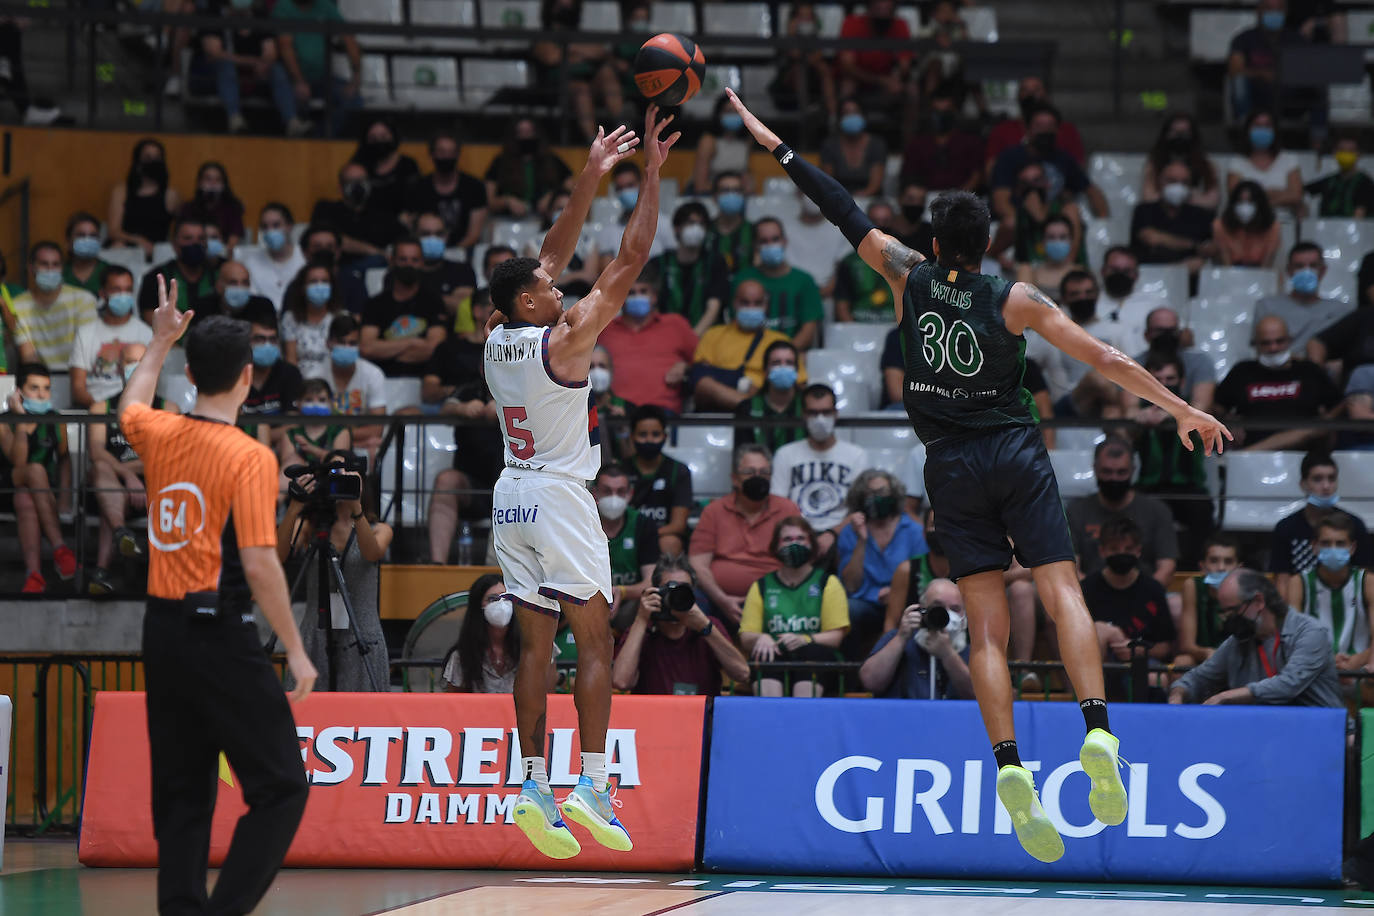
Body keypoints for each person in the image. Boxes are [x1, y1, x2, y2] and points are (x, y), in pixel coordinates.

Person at [725, 86, 1228, 862]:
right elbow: (1107, 358)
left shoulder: (906, 274)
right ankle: (1097, 730)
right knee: (1063, 593)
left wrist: (778, 147)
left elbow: (842, 209)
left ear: (934, 237)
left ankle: (1008, 768)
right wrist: (1178, 409)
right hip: (1014, 454)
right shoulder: (1016, 298)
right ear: (988, 243)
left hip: (950, 467)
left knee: (985, 627)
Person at [482, 113, 668, 860]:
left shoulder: (498, 331)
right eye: (547, 287)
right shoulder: (568, 337)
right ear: (531, 301)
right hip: (559, 495)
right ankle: (591, 783)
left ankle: (530, 785)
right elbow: (630, 257)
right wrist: (648, 175)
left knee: (535, 648)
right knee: (596, 638)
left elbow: (545, 257)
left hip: (510, 496)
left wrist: (592, 173)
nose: (557, 286)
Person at [120, 281, 316, 914]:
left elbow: (129, 407)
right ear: (248, 377)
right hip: (218, 630)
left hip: (161, 630)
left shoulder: (158, 432)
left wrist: (157, 339)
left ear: (189, 372)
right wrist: (296, 649)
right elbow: (260, 562)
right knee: (282, 786)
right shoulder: (248, 456)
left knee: (183, 791)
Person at [276, 444, 391, 691]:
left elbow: (372, 552)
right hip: (316, 632)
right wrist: (296, 506)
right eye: (332, 475)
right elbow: (279, 555)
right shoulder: (311, 527)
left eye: (345, 474)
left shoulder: (380, 529)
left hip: (362, 634)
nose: (338, 481)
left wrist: (356, 508)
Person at [1169, 569, 1342, 708]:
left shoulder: (1310, 633)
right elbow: (1198, 677)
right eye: (1223, 613)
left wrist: (1227, 696)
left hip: (1317, 728)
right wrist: (1178, 694)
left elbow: (1288, 684)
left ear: (1258, 601)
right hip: (1263, 731)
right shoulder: (1238, 641)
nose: (1226, 619)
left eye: (1232, 611)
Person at [87, 342, 174, 595]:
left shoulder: (168, 408)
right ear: (118, 369)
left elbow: (165, 456)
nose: (135, 367)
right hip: (113, 483)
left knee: (109, 492)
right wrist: (127, 474)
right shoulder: (100, 407)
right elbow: (96, 452)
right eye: (129, 361)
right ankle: (121, 536)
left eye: (141, 360)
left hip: (155, 488)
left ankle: (105, 566)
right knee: (102, 469)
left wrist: (128, 472)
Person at [689, 443, 802, 631]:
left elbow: (799, 559)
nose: (758, 478)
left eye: (764, 472)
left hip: (774, 597)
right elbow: (697, 564)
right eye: (750, 472)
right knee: (690, 601)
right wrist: (721, 599)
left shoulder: (787, 509)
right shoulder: (714, 511)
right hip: (718, 598)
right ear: (735, 478)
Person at [739, 516, 850, 697]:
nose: (794, 544)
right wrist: (762, 637)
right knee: (766, 655)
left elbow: (836, 636)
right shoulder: (762, 586)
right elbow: (746, 636)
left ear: (811, 544)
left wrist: (804, 639)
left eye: (800, 539)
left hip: (815, 657)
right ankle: (771, 716)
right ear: (776, 546)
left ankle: (803, 718)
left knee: (812, 653)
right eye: (787, 540)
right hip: (775, 655)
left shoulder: (827, 582)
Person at [611, 555, 751, 696]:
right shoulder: (642, 629)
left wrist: (706, 627)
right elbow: (621, 682)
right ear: (656, 592)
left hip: (700, 715)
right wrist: (641, 619)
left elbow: (742, 673)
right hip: (654, 716)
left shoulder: (709, 626)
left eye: (684, 590)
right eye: (670, 590)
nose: (677, 596)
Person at [1080, 517, 1178, 696]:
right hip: (1099, 663)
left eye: (1128, 549)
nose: (1121, 554)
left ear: (1139, 551)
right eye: (1114, 549)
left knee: (1156, 678)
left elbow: (1165, 645)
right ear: (1102, 551)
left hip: (1142, 662)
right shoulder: (1087, 588)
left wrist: (1139, 651)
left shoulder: (1152, 589)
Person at [836, 469, 928, 655]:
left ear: (894, 495)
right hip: (866, 604)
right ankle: (853, 675)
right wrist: (861, 540)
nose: (876, 498)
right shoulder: (850, 532)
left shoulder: (914, 531)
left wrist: (896, 592)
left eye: (882, 492)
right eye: (870, 494)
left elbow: (923, 574)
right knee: (849, 609)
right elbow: (851, 586)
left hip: (906, 602)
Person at [1215, 315, 1341, 450]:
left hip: (1304, 453)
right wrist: (1230, 421)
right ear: (1255, 344)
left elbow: (1339, 405)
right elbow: (1216, 408)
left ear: (1289, 340)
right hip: (1252, 457)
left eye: (1279, 341)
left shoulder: (1309, 370)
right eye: (1266, 343)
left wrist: (1324, 424)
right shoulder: (1241, 371)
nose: (1273, 348)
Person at [1066, 436, 1179, 586]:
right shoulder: (1076, 511)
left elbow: (1167, 567)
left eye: (1121, 472)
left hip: (1143, 594)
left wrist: (1145, 595)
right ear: (1095, 469)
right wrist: (1092, 596)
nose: (1114, 478)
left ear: (1133, 470)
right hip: (1090, 596)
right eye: (1107, 472)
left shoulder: (1157, 510)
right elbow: (1070, 568)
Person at [1, 363, 74, 593]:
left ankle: (34, 576)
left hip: (41, 493)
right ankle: (60, 549)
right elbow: (19, 462)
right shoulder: (5, 421)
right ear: (19, 392)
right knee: (33, 470)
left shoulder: (55, 419)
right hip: (8, 485)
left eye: (46, 388)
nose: (42, 394)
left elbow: (64, 459)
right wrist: (21, 419)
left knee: (26, 499)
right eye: (34, 388)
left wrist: (65, 498)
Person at [771, 385, 869, 552]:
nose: (820, 419)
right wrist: (801, 536)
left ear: (836, 413)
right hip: (797, 535)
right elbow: (778, 504)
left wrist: (833, 533)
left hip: (841, 535)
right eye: (813, 413)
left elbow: (858, 509)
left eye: (826, 412)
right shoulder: (785, 454)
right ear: (803, 414)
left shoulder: (857, 455)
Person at [594, 262, 697, 414]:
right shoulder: (603, 329)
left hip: (664, 414)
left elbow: (702, 363)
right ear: (621, 297)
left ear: (654, 296)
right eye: (631, 292)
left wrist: (685, 368)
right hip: (616, 413)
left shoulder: (676, 325)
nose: (637, 296)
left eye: (643, 291)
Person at [1271, 450, 1373, 596]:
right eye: (1317, 479)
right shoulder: (1286, 528)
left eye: (1331, 479)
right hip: (1301, 604)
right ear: (1303, 484)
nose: (1326, 486)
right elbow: (1282, 583)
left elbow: (1365, 582)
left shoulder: (1355, 525)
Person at [690, 281, 800, 411]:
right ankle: (749, 407)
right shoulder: (713, 335)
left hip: (768, 401)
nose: (751, 308)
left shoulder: (781, 340)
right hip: (719, 405)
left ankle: (752, 408)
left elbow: (798, 383)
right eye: (745, 303)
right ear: (735, 303)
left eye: (757, 303)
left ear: (766, 305)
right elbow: (701, 380)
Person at [1287, 512, 1373, 674]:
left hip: (1358, 670)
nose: (1333, 549)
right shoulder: (1298, 583)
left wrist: (1356, 663)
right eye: (1326, 543)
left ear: (1352, 548)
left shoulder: (1368, 582)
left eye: (1340, 544)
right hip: (1314, 669)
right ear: (1314, 547)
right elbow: (1292, 639)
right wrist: (1326, 661)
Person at [860, 578, 975, 699]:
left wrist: (948, 655)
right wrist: (901, 638)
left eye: (955, 609)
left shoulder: (975, 651)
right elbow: (870, 682)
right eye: (938, 606)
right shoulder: (897, 638)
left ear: (964, 615)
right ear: (922, 608)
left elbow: (979, 697)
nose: (946, 614)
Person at [443, 573, 556, 692]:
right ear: (478, 606)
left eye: (506, 598)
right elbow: (454, 703)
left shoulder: (539, 646)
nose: (501, 604)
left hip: (522, 710)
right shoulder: (462, 656)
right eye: (492, 599)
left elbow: (547, 695)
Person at [270, 0, 361, 137]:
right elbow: (285, 47)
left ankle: (319, 136)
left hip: (321, 77)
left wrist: (356, 77)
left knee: (354, 99)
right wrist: (298, 81)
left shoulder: (325, 6)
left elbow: (348, 38)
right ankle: (293, 123)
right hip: (291, 78)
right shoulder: (284, 7)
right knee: (277, 73)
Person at [359, 238, 447, 378]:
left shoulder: (434, 302)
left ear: (422, 263)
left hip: (421, 379)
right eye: (403, 259)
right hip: (382, 379)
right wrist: (411, 342)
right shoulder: (375, 304)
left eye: (414, 260)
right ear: (392, 261)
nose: (409, 265)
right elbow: (367, 348)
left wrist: (387, 351)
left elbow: (435, 349)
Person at [732, 219, 823, 350]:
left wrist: (780, 358)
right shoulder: (742, 279)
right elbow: (734, 326)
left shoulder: (805, 281)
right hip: (745, 358)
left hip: (788, 361)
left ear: (785, 241)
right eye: (764, 241)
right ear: (755, 245)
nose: (770, 245)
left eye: (775, 239)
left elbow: (807, 333)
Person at [188, 0, 276, 134]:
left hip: (252, 74)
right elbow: (214, 52)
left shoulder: (260, 14)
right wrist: (253, 61)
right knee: (226, 66)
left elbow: (270, 52)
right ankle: (235, 118)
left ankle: (293, 121)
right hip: (210, 75)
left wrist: (264, 63)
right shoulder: (213, 12)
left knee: (277, 70)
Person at [69, 266, 152, 409]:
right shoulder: (85, 333)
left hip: (136, 410)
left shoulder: (146, 333)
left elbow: (152, 383)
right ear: (102, 293)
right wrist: (103, 410)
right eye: (116, 289)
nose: (123, 295)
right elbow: (78, 389)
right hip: (95, 412)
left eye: (128, 290)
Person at [590, 463, 660, 627]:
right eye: (607, 491)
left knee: (646, 603)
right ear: (595, 493)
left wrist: (622, 592)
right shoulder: (581, 524)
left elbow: (650, 583)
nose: (614, 497)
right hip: (587, 601)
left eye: (620, 492)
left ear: (630, 494)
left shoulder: (643, 524)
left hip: (629, 604)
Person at [11, 241, 97, 373]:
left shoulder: (84, 300)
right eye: (44, 264)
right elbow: (28, 356)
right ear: (31, 267)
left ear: (62, 268)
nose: (50, 270)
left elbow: (87, 350)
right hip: (39, 379)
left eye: (55, 264)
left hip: (78, 377)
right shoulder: (17, 306)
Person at [649, 201, 731, 336]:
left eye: (701, 224)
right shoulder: (658, 264)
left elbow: (714, 307)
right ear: (677, 228)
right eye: (690, 223)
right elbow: (652, 305)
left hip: (705, 337)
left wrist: (692, 338)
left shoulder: (715, 262)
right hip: (665, 336)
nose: (696, 228)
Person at [1253, 243, 1352, 354]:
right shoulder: (1267, 306)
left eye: (1313, 266)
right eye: (1299, 266)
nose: (1306, 272)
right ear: (1289, 270)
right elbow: (1259, 350)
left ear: (1323, 270)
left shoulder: (1341, 311)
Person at [310, 163, 407, 272]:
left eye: (362, 180)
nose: (358, 185)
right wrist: (373, 251)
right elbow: (332, 240)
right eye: (351, 181)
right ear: (340, 188)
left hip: (376, 270)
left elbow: (402, 241)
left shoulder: (382, 213)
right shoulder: (326, 209)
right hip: (339, 269)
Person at [624, 405, 693, 556]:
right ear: (632, 437)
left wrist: (646, 535)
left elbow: (678, 525)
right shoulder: (622, 470)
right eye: (642, 434)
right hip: (625, 535)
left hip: (661, 535)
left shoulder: (679, 471)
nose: (649, 440)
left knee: (670, 543)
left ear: (665, 437)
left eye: (655, 434)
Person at [403, 131, 489, 249]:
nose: (447, 157)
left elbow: (473, 235)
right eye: (442, 152)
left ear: (458, 155)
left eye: (451, 152)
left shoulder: (474, 187)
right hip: (424, 251)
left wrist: (453, 253)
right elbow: (412, 228)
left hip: (463, 251)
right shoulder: (418, 187)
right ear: (432, 154)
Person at [1129, 159, 1215, 274]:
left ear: (1191, 187)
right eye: (1172, 181)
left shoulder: (1202, 215)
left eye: (1184, 182)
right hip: (1149, 278)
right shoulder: (1144, 210)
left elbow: (1207, 250)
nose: (1178, 187)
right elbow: (1151, 238)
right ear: (1159, 182)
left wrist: (1165, 240)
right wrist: (1192, 246)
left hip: (1189, 284)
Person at [240, 299, 303, 449]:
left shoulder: (290, 373)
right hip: (241, 448)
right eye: (260, 339)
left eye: (272, 339)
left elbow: (293, 426)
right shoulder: (234, 374)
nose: (267, 345)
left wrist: (262, 434)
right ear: (246, 342)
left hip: (282, 447)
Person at [985, 76, 1087, 169]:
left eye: (1036, 89)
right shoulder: (1002, 130)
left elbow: (1079, 170)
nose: (1031, 94)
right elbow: (991, 172)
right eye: (1025, 90)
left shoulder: (1067, 130)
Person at [900, 82, 984, 195]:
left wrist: (958, 197)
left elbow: (976, 177)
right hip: (925, 200)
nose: (941, 116)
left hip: (962, 200)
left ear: (955, 111)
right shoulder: (918, 144)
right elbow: (909, 177)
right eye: (936, 112)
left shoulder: (970, 142)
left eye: (946, 111)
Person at [484, 118, 573, 218]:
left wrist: (552, 196)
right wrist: (507, 201)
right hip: (509, 221)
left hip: (545, 220)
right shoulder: (500, 162)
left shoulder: (551, 160)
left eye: (529, 132)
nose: (525, 136)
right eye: (520, 132)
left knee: (564, 202)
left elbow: (571, 189)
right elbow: (489, 201)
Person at [1176, 532, 1242, 666]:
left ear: (1239, 568)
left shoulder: (1247, 589)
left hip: (1237, 659)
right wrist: (1206, 653)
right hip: (1204, 657)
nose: (1221, 568)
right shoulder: (1193, 586)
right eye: (1214, 561)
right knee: (1182, 662)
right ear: (1202, 567)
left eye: (1228, 562)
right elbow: (1186, 645)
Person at [595, 162, 675, 269]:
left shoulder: (665, 224)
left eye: (630, 185)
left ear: (642, 184)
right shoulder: (608, 232)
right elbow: (606, 272)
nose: (625, 192)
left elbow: (673, 265)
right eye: (620, 188)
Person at [136, 218, 219, 323]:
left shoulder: (218, 273)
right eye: (188, 238)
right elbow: (151, 320)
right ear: (175, 244)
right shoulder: (156, 277)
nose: (195, 243)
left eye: (201, 238)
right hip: (171, 338)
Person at [107, 138, 178, 258]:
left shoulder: (171, 195)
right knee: (117, 246)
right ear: (138, 161)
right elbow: (113, 231)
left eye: (157, 157)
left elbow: (178, 232)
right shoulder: (121, 191)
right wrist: (139, 241)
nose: (153, 161)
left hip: (158, 251)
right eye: (148, 157)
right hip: (128, 247)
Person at [768, 3, 838, 123]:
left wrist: (810, 59)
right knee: (800, 68)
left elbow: (819, 54)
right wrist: (792, 31)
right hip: (790, 74)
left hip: (813, 70)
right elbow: (794, 54)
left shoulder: (816, 37)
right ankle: (804, 109)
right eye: (802, 17)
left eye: (808, 17)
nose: (805, 21)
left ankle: (833, 114)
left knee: (825, 69)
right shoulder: (789, 38)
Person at [733, 340, 806, 454]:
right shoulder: (747, 408)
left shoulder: (808, 407)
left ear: (797, 370)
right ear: (765, 371)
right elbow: (742, 456)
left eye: (789, 363)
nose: (783, 367)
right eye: (776, 363)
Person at [835, 201, 902, 323]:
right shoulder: (850, 262)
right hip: (858, 328)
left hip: (895, 329)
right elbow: (842, 305)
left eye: (886, 221)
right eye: (875, 222)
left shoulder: (908, 260)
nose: (881, 227)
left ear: (894, 223)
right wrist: (855, 333)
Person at [1226, 110, 1304, 212]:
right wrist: (1278, 193)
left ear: (1275, 130)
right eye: (1257, 125)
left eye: (1267, 125)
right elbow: (1235, 196)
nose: (1262, 129)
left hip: (1285, 223)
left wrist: (1257, 198)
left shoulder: (1289, 159)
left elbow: (1296, 195)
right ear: (1247, 130)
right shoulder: (1237, 162)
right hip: (1249, 225)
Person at [1141, 113, 1221, 211]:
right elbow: (1148, 198)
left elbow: (1212, 201)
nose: (1179, 137)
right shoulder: (1154, 163)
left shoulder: (1206, 165)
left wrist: (1188, 196)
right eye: (1175, 132)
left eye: (1184, 133)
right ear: (1166, 134)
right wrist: (1169, 195)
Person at [351, 117, 419, 225]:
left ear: (393, 137)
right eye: (373, 138)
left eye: (383, 136)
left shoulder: (408, 165)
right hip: (367, 224)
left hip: (400, 225)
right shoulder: (359, 165)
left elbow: (415, 202)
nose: (379, 141)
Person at [239, 203, 305, 312]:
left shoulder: (304, 257)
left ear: (289, 226)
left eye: (276, 225)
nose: (270, 231)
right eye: (265, 227)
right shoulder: (250, 262)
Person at [280, 260, 339, 380]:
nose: (319, 286)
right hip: (300, 385)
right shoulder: (290, 318)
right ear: (303, 287)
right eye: (313, 281)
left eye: (324, 281)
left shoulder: (341, 318)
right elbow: (291, 360)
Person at [278, 377, 350, 473]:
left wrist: (312, 449)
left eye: (322, 400)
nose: (315, 404)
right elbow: (288, 470)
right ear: (298, 403)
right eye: (308, 400)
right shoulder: (290, 434)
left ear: (331, 402)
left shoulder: (340, 431)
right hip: (301, 482)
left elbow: (340, 466)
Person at [820, 99, 887, 196]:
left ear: (863, 116)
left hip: (869, 200)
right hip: (839, 199)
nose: (851, 116)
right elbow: (828, 182)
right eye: (846, 113)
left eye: (855, 112)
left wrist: (857, 200)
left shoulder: (877, 145)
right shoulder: (830, 145)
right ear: (840, 118)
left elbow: (875, 185)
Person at [692, 95, 756, 195]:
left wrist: (746, 186)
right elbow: (700, 185)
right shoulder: (708, 141)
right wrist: (725, 190)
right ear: (719, 114)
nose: (733, 116)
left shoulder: (747, 140)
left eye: (737, 112)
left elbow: (745, 174)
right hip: (708, 194)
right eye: (728, 112)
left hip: (735, 193)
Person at [1211, 179, 1281, 268]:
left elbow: (1266, 266)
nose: (1245, 206)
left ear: (1260, 204)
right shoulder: (1220, 226)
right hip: (1231, 274)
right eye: (1240, 201)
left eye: (1250, 201)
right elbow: (1226, 265)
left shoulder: (1272, 227)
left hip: (1259, 274)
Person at [178, 162, 246, 253]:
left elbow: (232, 243)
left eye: (217, 180)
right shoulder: (188, 208)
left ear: (224, 185)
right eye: (208, 179)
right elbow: (180, 237)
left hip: (221, 255)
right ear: (200, 183)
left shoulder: (233, 209)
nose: (213, 183)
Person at [1307, 135, 1374, 218]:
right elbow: (1304, 190)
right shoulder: (1329, 181)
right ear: (1335, 152)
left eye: (1350, 151)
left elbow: (1359, 215)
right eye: (1342, 150)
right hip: (1325, 227)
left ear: (1358, 154)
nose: (1346, 154)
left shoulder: (1366, 183)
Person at [1014, 213, 1080, 295]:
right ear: (1042, 241)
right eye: (1051, 237)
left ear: (1071, 240)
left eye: (1062, 237)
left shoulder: (1080, 273)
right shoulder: (1031, 273)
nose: (1057, 242)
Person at [708, 171, 755, 273]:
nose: (731, 195)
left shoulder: (755, 232)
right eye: (725, 190)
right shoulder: (704, 230)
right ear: (714, 196)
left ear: (744, 195)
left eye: (736, 190)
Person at [63, 211, 109, 296]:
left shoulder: (109, 272)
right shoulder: (60, 272)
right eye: (81, 235)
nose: (87, 240)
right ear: (68, 241)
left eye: (93, 236)